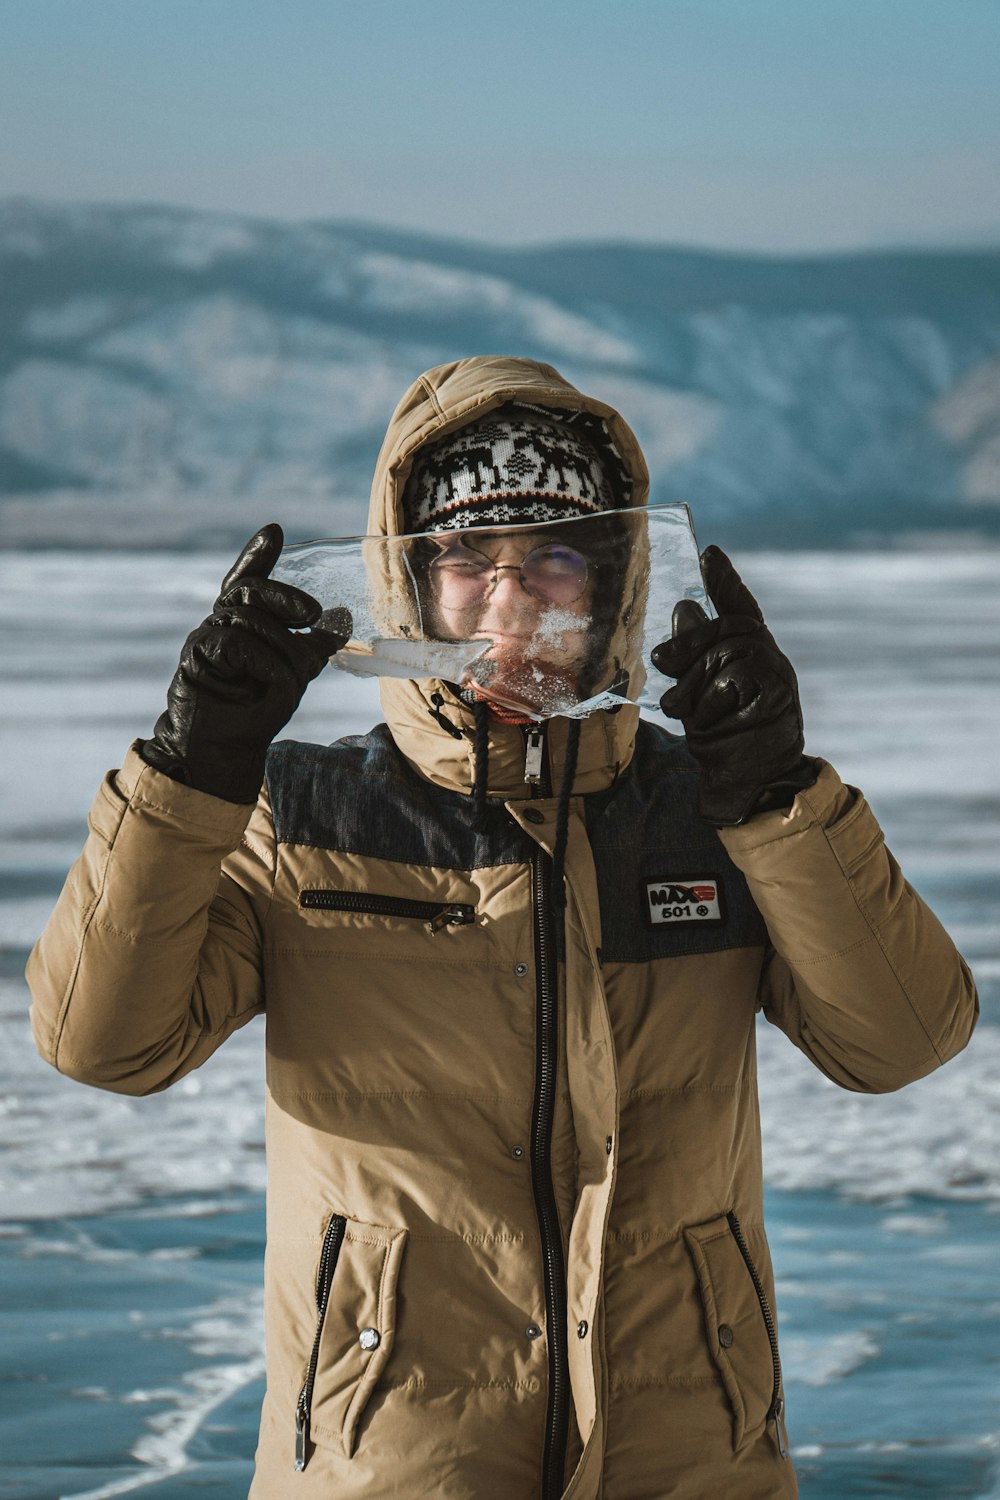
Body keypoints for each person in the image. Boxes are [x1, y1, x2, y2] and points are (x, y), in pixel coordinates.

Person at [27, 355, 978, 1500]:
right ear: (411, 590)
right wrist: (188, 777)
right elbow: (105, 1044)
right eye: (467, 563)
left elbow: (901, 1042)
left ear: (614, 587)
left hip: (687, 1459)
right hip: (392, 1461)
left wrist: (782, 798)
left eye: (555, 561)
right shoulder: (299, 813)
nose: (509, 604)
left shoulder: (716, 811)